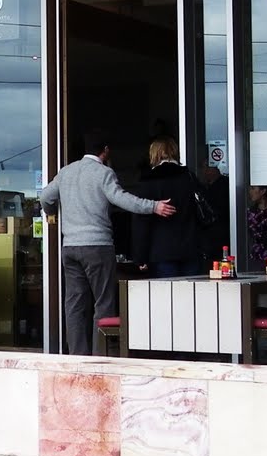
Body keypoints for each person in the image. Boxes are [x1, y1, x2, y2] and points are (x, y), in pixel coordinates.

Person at [40, 131, 174, 355]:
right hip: (97, 247)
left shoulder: (66, 172)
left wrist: (51, 214)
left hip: (70, 247)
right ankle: (100, 356)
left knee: (74, 304)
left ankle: (77, 357)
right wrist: (154, 206)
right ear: (105, 151)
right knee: (103, 302)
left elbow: (46, 197)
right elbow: (121, 198)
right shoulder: (104, 173)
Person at [130, 137, 204, 277]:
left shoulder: (149, 181)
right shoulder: (189, 177)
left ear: (154, 154)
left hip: (161, 251)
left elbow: (142, 222)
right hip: (191, 248)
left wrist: (140, 257)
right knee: (192, 296)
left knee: (166, 296)